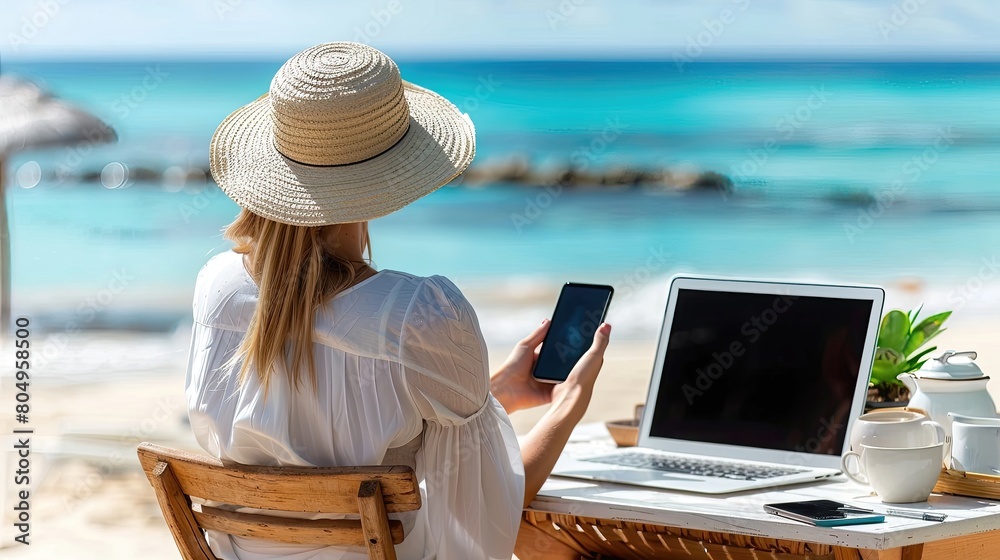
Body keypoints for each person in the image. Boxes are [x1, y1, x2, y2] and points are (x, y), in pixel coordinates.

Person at [185, 42, 611, 560]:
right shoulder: (420, 314)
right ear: (390, 173)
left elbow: (312, 433)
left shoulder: (216, 287)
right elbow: (487, 519)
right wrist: (569, 407)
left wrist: (495, 393)